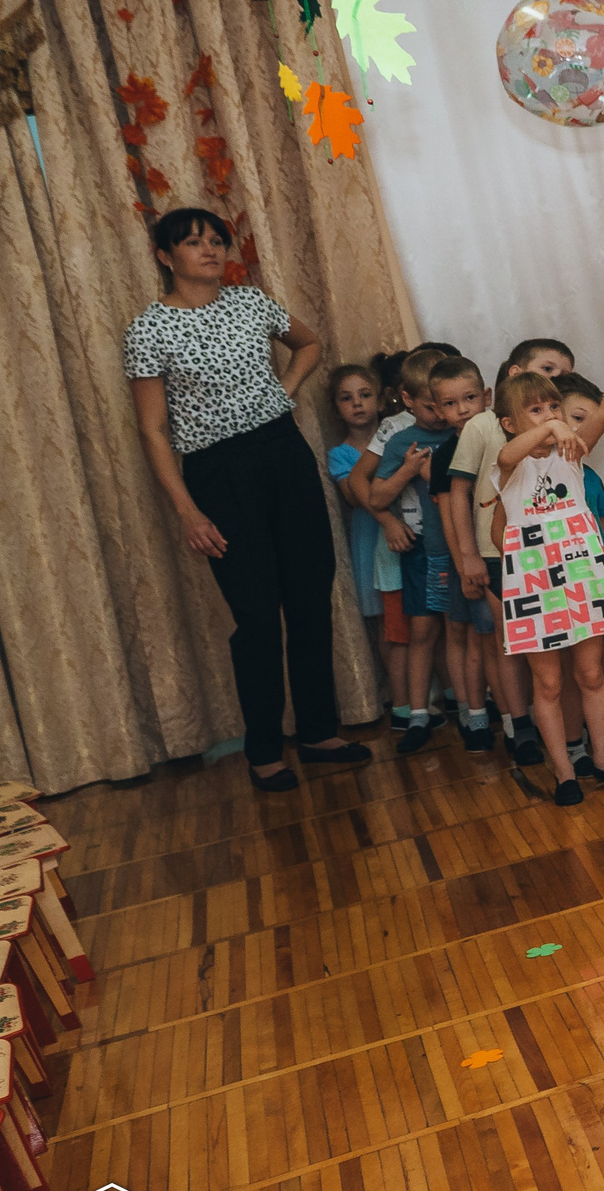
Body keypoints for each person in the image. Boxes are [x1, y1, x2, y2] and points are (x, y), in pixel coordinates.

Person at [124, 209, 372, 789]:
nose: (208, 250)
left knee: (311, 594)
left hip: (283, 454)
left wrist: (280, 392)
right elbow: (153, 431)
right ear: (165, 256)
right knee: (257, 616)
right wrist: (188, 509)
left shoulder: (252, 303)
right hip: (217, 470)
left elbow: (307, 345)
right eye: (192, 242)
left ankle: (317, 731)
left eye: (216, 240)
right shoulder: (148, 329)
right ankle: (264, 751)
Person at [490, 371, 604, 806]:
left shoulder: (573, 453)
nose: (550, 416)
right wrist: (552, 426)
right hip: (535, 583)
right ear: (510, 422)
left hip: (583, 576)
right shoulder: (509, 464)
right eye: (536, 410)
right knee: (548, 683)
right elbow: (507, 453)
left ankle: (603, 760)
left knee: (591, 673)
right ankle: (564, 772)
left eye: (554, 407)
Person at [361, 358, 466, 753]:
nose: (441, 415)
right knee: (423, 632)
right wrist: (408, 470)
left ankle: (475, 711)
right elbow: (375, 495)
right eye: (431, 406)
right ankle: (418, 715)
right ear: (408, 400)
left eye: (447, 405)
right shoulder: (401, 441)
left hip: (465, 549)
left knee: (464, 631)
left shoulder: (467, 435)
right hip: (425, 551)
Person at [324, 363, 413, 723]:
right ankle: (401, 702)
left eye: (364, 395)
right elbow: (354, 496)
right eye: (346, 398)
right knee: (388, 626)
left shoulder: (401, 436)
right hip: (371, 539)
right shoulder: (341, 454)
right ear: (336, 407)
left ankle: (441, 696)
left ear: (381, 399)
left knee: (425, 618)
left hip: (412, 530)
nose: (357, 404)